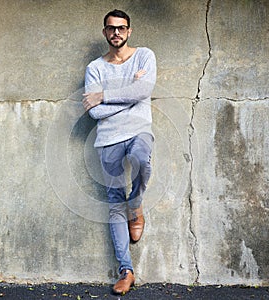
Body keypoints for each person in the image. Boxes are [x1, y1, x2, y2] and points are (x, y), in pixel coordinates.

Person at [82, 9, 156, 294]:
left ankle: (135, 206)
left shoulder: (144, 56)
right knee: (114, 201)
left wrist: (107, 93)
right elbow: (94, 111)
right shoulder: (95, 68)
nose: (116, 33)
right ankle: (126, 271)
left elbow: (145, 89)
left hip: (139, 131)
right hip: (108, 140)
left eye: (121, 28)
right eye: (111, 29)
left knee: (141, 161)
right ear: (104, 32)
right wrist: (131, 90)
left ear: (129, 31)